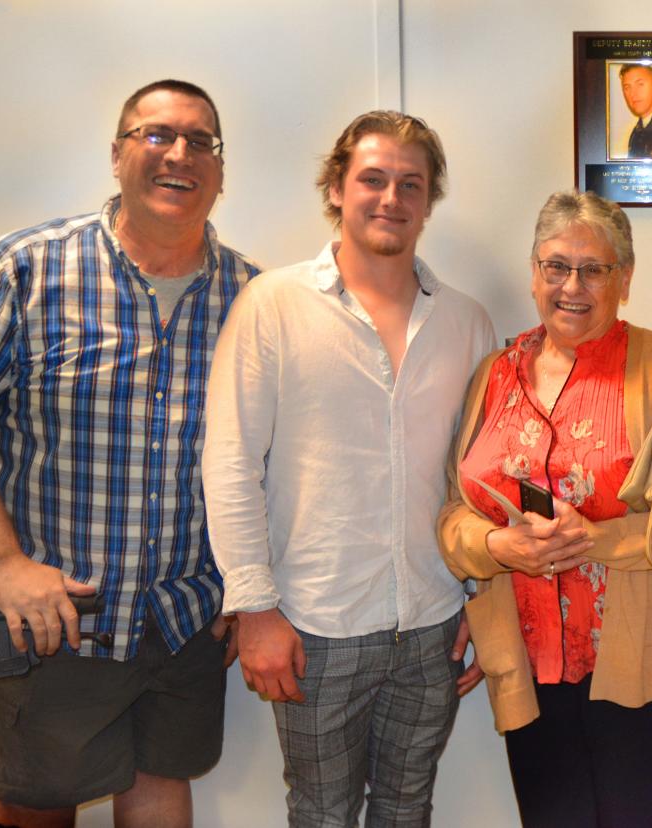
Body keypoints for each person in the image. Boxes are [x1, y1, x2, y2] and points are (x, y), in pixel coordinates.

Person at [0, 79, 256, 827]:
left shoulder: (252, 297)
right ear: (118, 154)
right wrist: (3, 566)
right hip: (57, 622)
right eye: (156, 134)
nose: (179, 153)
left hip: (186, 621)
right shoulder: (29, 269)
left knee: (161, 789)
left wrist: (252, 590)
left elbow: (267, 464)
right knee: (35, 811)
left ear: (219, 170)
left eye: (200, 141)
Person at [202, 110, 495, 827]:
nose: (390, 198)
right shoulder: (273, 305)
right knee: (323, 814)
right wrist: (255, 609)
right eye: (372, 179)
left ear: (429, 201)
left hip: (432, 624)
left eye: (410, 184)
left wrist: (484, 599)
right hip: (313, 626)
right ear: (336, 188)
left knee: (407, 809)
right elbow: (230, 461)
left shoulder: (466, 322)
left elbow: (484, 476)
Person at [437, 189, 652, 827]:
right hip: (528, 662)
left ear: (623, 279)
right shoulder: (496, 373)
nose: (571, 286)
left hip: (637, 662)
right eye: (555, 266)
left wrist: (598, 540)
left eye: (594, 269)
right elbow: (453, 514)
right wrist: (497, 548)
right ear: (533, 273)